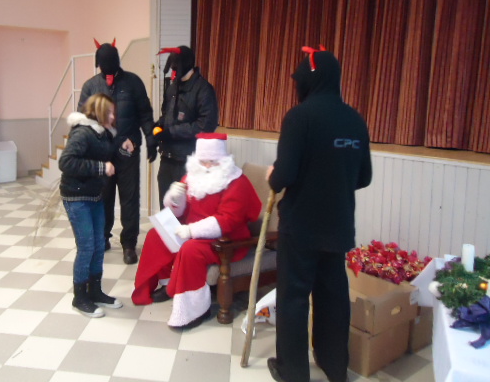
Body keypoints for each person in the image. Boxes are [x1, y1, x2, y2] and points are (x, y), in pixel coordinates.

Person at [266, 46, 372, 382]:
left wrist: (272, 175)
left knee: (294, 298)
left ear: (309, 80)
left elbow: (283, 177)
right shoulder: (355, 119)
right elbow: (365, 177)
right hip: (338, 224)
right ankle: (335, 366)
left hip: (301, 226)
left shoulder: (300, 117)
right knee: (333, 296)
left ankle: (293, 371)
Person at [132, 133, 262, 330]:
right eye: (203, 161)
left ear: (223, 159)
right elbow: (179, 211)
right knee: (156, 236)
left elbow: (227, 221)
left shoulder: (237, 182)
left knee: (190, 250)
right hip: (192, 230)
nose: (207, 166)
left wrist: (191, 230)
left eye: (213, 161)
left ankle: (195, 310)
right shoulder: (192, 176)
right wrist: (175, 199)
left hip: (225, 240)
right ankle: (169, 285)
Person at [78, 39, 157, 265]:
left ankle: (129, 244)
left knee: (130, 198)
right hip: (101, 152)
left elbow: (145, 113)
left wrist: (150, 138)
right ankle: (102, 237)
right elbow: (83, 119)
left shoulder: (133, 82)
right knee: (103, 197)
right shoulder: (91, 86)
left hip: (127, 150)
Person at [59, 93, 124, 317]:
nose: (113, 116)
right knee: (86, 247)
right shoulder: (83, 133)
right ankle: (79, 298)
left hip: (95, 195)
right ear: (100, 112)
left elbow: (107, 151)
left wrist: (122, 147)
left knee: (98, 244)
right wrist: (100, 168)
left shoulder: (103, 133)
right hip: (77, 197)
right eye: (110, 112)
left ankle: (95, 292)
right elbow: (66, 162)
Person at [154, 45, 218, 208]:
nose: (173, 72)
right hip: (167, 158)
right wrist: (158, 127)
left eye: (176, 67)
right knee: (165, 210)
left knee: (185, 211)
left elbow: (205, 126)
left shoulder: (204, 90)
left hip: (188, 162)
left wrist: (171, 132)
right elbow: (167, 114)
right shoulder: (172, 88)